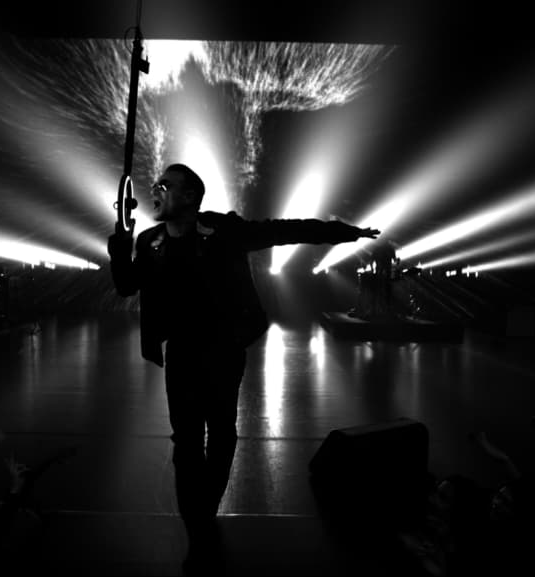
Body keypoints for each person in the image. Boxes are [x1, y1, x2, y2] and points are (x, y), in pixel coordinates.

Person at [107, 163, 379, 572]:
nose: (155, 189)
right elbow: (127, 284)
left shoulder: (223, 231)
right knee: (186, 443)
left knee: (221, 434)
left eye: (166, 184)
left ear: (189, 197)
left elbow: (284, 230)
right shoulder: (150, 241)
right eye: (157, 184)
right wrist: (120, 247)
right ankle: (198, 528)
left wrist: (343, 233)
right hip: (181, 355)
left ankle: (205, 511)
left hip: (222, 351)